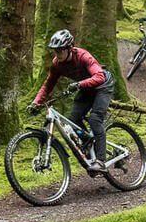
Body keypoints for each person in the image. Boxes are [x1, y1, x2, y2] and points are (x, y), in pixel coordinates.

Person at [27, 29, 115, 170]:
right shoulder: (57, 64)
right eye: (55, 51)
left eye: (60, 50)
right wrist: (35, 102)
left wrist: (79, 84)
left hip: (102, 86)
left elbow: (99, 77)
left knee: (94, 120)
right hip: (86, 88)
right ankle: (89, 142)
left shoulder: (83, 56)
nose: (57, 54)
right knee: (73, 119)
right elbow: (48, 84)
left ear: (69, 48)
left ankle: (100, 161)